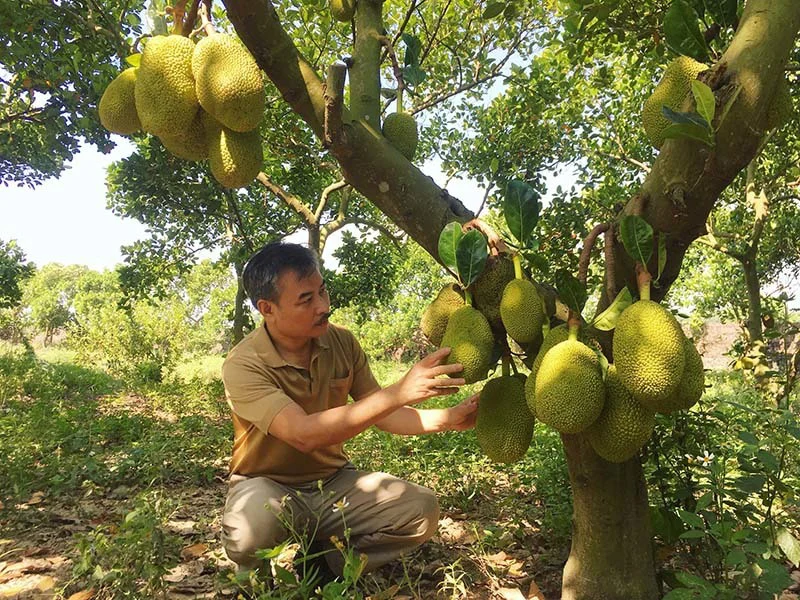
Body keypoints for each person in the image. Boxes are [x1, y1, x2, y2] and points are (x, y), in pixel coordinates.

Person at [220, 241, 479, 579]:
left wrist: (448, 419)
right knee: (249, 527)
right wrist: (398, 392)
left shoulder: (341, 342)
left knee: (421, 510)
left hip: (333, 484)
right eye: (306, 300)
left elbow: (380, 411)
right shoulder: (244, 363)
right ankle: (257, 578)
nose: (323, 306)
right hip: (268, 485)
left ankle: (326, 564)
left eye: (322, 292)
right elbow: (303, 433)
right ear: (267, 308)